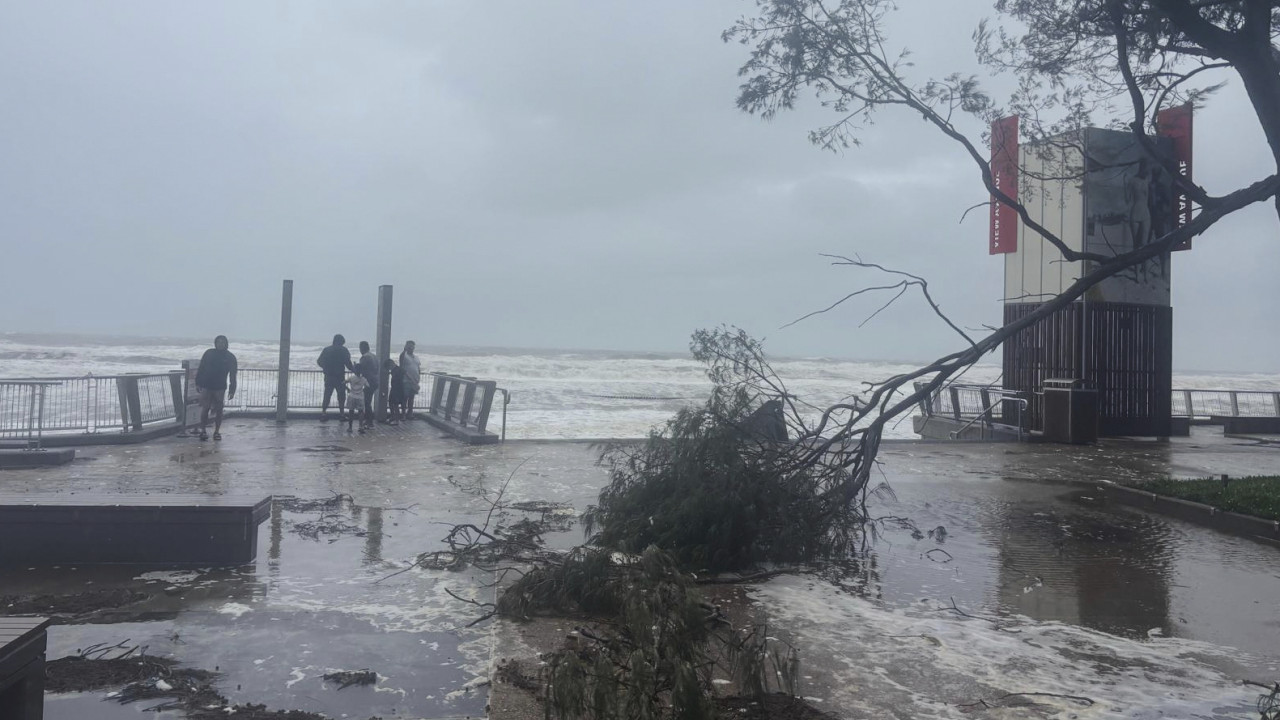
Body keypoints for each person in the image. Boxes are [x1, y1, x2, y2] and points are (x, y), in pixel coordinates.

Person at [195, 335, 238, 441]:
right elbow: (201, 368)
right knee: (205, 408)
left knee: (219, 410)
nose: (220, 344)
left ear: (226, 344)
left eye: (223, 342)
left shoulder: (230, 357)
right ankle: (203, 430)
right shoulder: (209, 353)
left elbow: (233, 374)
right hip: (207, 385)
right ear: (215, 343)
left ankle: (217, 431)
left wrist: (232, 389)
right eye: (218, 342)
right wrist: (198, 382)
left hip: (220, 386)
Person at [318, 334, 356, 420]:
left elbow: (319, 361)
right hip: (340, 377)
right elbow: (348, 364)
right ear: (341, 342)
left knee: (327, 395)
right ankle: (342, 415)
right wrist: (356, 371)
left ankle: (323, 413)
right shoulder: (343, 350)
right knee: (341, 396)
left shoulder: (326, 350)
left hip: (329, 377)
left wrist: (326, 368)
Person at [356, 341, 380, 423]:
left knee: (366, 402)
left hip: (369, 382)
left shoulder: (364, 357)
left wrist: (355, 366)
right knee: (368, 400)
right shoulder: (374, 356)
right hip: (375, 381)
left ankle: (369, 421)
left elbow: (360, 370)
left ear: (362, 348)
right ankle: (369, 420)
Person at [399, 340, 422, 419]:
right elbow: (401, 366)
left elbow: (418, 368)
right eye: (409, 346)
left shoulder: (416, 357)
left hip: (414, 381)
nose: (410, 348)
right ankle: (403, 415)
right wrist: (404, 349)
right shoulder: (404, 356)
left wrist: (418, 378)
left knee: (411, 398)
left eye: (412, 346)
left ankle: (410, 414)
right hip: (406, 380)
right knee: (405, 397)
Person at [387, 359, 405, 423]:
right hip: (395, 388)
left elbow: (398, 379)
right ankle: (393, 416)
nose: (389, 368)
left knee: (395, 404)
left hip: (397, 389)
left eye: (389, 367)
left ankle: (396, 420)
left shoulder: (397, 370)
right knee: (391, 402)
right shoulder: (397, 369)